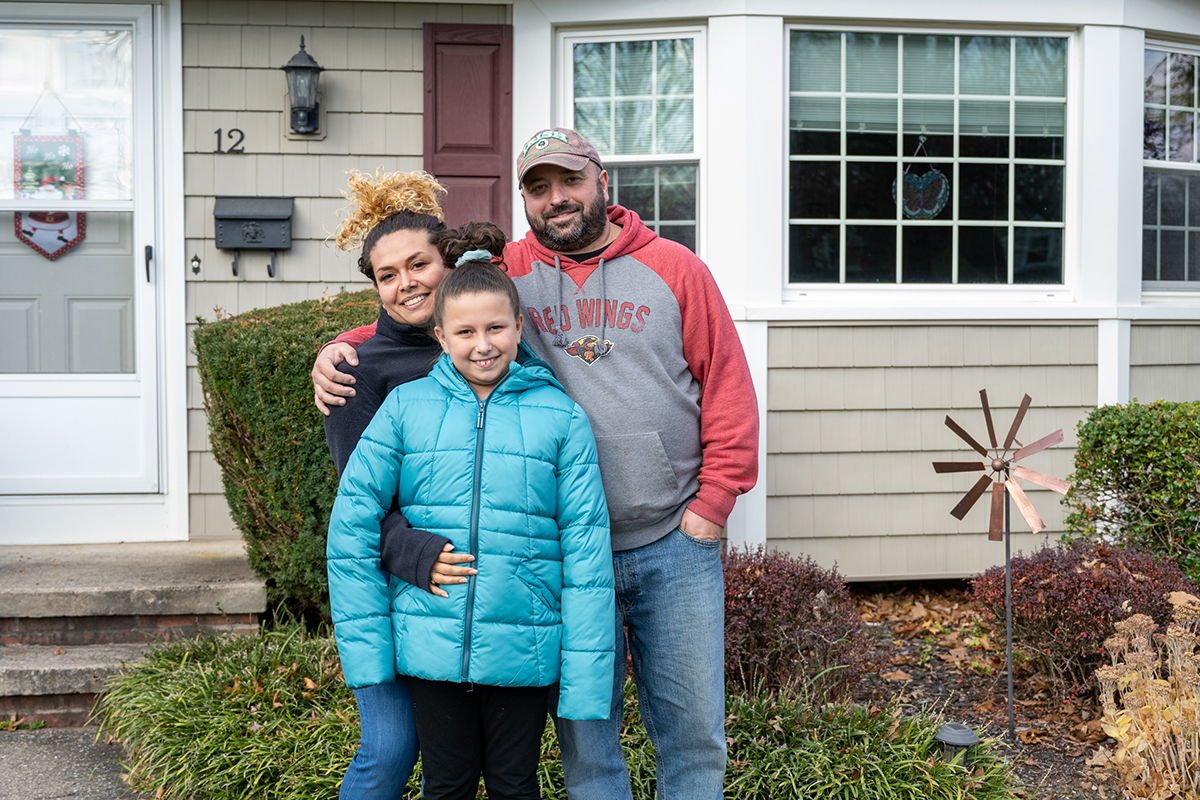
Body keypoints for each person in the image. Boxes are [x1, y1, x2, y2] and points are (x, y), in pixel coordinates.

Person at [314, 128, 759, 800]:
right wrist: (341, 348)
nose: (557, 199)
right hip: (559, 555)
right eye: (538, 187)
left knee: (693, 733)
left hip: (672, 542)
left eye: (569, 181)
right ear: (523, 197)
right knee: (587, 740)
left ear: (600, 181)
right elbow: (432, 310)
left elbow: (726, 383)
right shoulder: (508, 270)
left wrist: (711, 506)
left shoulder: (676, 269)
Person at [327, 237, 617, 800]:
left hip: (525, 642)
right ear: (440, 337)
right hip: (431, 643)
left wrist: (583, 683)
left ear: (518, 328)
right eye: (464, 332)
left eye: (496, 329)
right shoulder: (405, 407)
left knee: (515, 785)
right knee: (447, 784)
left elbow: (587, 554)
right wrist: (369, 652)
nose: (482, 345)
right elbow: (352, 526)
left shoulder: (561, 417)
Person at [322, 168, 466, 800]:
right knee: (388, 748)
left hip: (460, 587)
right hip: (386, 581)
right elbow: (359, 498)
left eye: (419, 264)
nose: (407, 283)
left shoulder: (481, 348)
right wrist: (416, 554)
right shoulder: (358, 370)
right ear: (375, 285)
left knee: (456, 759)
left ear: (447, 263)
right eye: (388, 274)